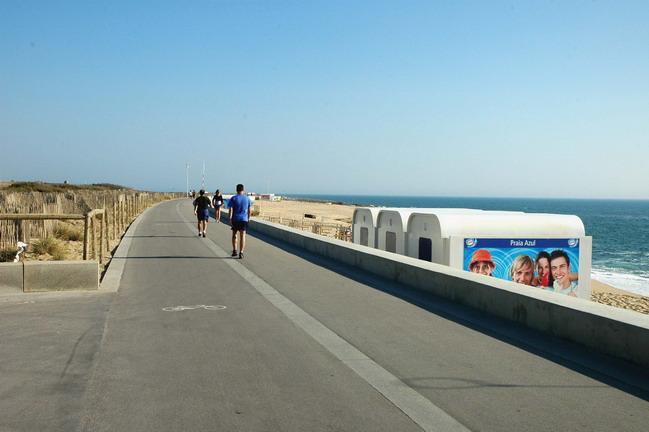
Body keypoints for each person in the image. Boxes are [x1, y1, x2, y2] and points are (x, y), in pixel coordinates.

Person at [228, 183, 252, 258]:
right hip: (244, 219)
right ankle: (241, 252)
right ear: (243, 190)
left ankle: (235, 250)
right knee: (243, 236)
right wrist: (249, 218)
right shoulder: (247, 198)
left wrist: (230, 218)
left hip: (235, 219)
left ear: (236, 190)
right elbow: (249, 210)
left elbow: (230, 209)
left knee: (234, 235)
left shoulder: (233, 198)